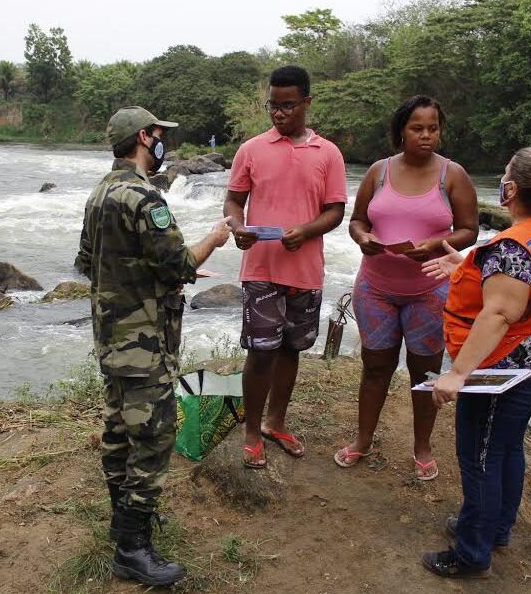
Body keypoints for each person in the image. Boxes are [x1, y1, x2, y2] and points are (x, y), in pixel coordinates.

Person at [74, 106, 232, 586]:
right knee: (154, 438)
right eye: (161, 135)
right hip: (145, 341)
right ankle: (133, 548)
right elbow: (180, 264)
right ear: (144, 137)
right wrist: (216, 237)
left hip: (112, 337)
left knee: (120, 430)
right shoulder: (145, 197)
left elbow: (87, 262)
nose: (164, 143)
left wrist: (141, 276)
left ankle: (121, 524)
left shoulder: (100, 192)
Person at [420, 147, 531, 578]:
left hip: (509, 366)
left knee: (480, 456)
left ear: (509, 188)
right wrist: (465, 263)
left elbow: (498, 314)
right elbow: (520, 286)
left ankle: (472, 553)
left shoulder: (513, 249)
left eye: (506, 175)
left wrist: (456, 374)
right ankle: (496, 527)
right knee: (504, 446)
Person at [333, 95, 478, 480]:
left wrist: (434, 245)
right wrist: (363, 239)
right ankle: (363, 440)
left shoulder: (453, 175)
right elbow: (358, 221)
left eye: (433, 128)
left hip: (429, 290)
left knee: (425, 372)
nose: (426, 135)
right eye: (417, 128)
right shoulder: (378, 172)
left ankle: (422, 446)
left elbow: (469, 229)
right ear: (401, 132)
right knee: (375, 366)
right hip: (376, 288)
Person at [223, 65, 347, 469]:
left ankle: (277, 422)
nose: (279, 114)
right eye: (273, 106)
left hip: (305, 269)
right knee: (260, 351)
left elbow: (335, 211)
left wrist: (306, 231)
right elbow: (234, 201)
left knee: (292, 348)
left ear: (307, 103)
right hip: (260, 266)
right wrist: (238, 227)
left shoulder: (328, 153)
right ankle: (253, 431)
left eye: (288, 106)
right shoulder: (251, 149)